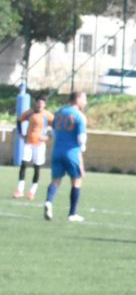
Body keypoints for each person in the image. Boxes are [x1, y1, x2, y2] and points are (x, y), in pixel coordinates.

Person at [44, 91, 87, 222]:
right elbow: (81, 139)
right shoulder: (79, 116)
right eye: (84, 99)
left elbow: (52, 132)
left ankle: (49, 201)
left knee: (55, 180)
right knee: (77, 180)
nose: (85, 102)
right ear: (77, 99)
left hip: (57, 151)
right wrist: (82, 151)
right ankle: (72, 214)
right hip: (72, 152)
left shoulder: (59, 112)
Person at [14, 94, 51, 200]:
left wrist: (48, 136)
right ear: (35, 103)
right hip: (28, 143)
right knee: (23, 164)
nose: (40, 105)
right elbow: (19, 120)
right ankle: (20, 190)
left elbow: (55, 126)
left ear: (44, 105)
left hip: (39, 145)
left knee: (37, 167)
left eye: (42, 103)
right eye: (39, 102)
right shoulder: (29, 113)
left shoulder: (47, 115)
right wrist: (21, 133)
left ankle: (32, 191)